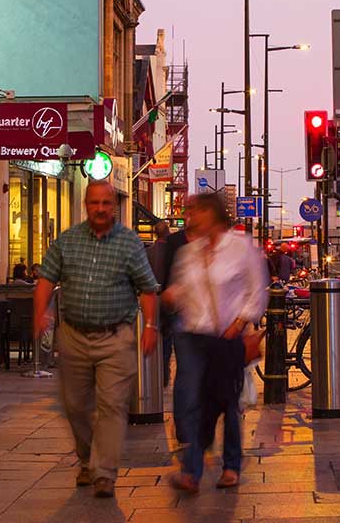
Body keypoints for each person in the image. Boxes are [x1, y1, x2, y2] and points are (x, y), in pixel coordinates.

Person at [33, 180, 159, 498]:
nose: (100, 209)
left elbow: (147, 288)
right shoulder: (68, 241)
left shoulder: (130, 243)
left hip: (116, 337)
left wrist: (150, 327)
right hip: (73, 335)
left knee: (112, 405)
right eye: (94, 203)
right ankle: (87, 459)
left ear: (114, 206)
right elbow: (47, 278)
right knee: (75, 405)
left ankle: (104, 472)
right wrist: (40, 313)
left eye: (105, 203)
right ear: (85, 205)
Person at [163, 193, 268, 493]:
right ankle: (191, 471)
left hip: (226, 336)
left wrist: (239, 323)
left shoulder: (240, 247)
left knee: (226, 400)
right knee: (193, 401)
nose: (189, 217)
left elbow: (256, 289)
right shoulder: (189, 252)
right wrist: (173, 295)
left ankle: (231, 465)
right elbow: (181, 289)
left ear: (212, 213)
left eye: (194, 211)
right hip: (193, 336)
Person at [147, 220, 188, 384]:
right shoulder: (178, 252)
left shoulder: (149, 252)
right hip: (173, 301)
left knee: (162, 340)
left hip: (155, 300)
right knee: (174, 339)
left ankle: (161, 373)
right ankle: (168, 374)